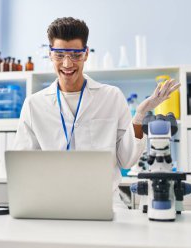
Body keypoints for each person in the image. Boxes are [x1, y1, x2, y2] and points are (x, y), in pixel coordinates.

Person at [13, 17, 180, 208]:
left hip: (105, 203)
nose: (67, 64)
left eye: (75, 55)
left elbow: (126, 161)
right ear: (50, 55)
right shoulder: (34, 104)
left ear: (85, 54)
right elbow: (23, 165)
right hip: (51, 203)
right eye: (59, 55)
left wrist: (140, 115)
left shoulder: (111, 96)